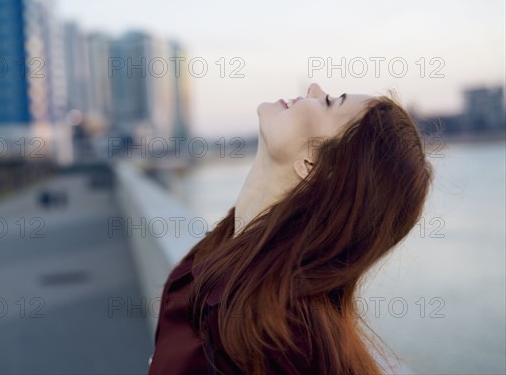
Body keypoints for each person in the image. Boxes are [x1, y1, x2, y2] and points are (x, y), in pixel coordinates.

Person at [148, 83, 434, 375]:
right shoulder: (215, 256)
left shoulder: (274, 339)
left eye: (329, 102)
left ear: (311, 165)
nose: (313, 88)